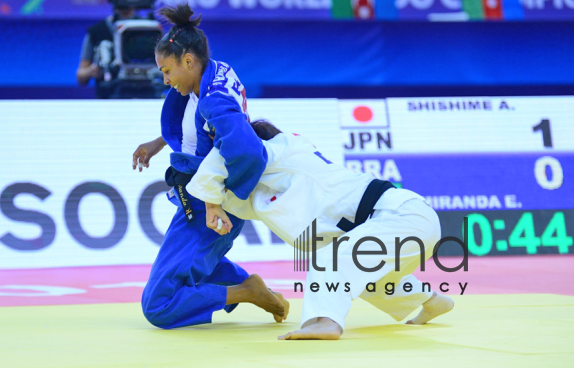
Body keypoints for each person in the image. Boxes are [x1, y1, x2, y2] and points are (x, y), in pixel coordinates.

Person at [187, 120, 454, 340]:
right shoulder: (270, 190)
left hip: (404, 215)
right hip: (403, 224)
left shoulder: (284, 148)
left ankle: (326, 322)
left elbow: (233, 149)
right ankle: (431, 300)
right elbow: (236, 198)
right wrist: (196, 187)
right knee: (363, 277)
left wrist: (208, 185)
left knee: (331, 260)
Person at [133, 5, 289, 330]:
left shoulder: (214, 99)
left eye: (167, 71)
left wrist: (215, 202)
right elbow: (198, 128)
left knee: (158, 305)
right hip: (202, 199)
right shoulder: (213, 73)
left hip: (209, 208)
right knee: (195, 265)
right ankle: (255, 290)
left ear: (188, 61)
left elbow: (248, 151)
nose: (165, 80)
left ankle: (245, 292)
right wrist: (159, 142)